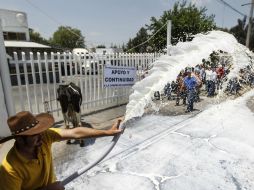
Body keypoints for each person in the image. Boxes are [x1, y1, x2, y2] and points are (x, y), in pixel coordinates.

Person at [0, 111, 122, 190]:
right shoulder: (10, 169)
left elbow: (75, 132)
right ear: (20, 139)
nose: (41, 136)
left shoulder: (44, 138)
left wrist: (107, 132)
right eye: (34, 134)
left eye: (40, 132)